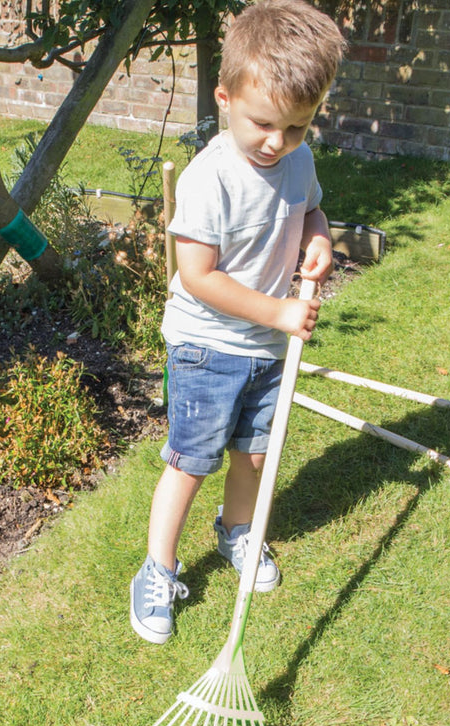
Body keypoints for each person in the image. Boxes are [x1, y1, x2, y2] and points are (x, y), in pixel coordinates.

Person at [130, 0, 347, 644]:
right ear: (225, 99)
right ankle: (158, 569)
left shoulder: (298, 162)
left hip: (267, 349)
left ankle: (237, 532)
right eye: (264, 123)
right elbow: (198, 276)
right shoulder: (210, 180)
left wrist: (321, 239)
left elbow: (310, 211)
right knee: (191, 461)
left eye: (298, 127)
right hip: (207, 347)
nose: (277, 142)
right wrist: (280, 310)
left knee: (255, 454)